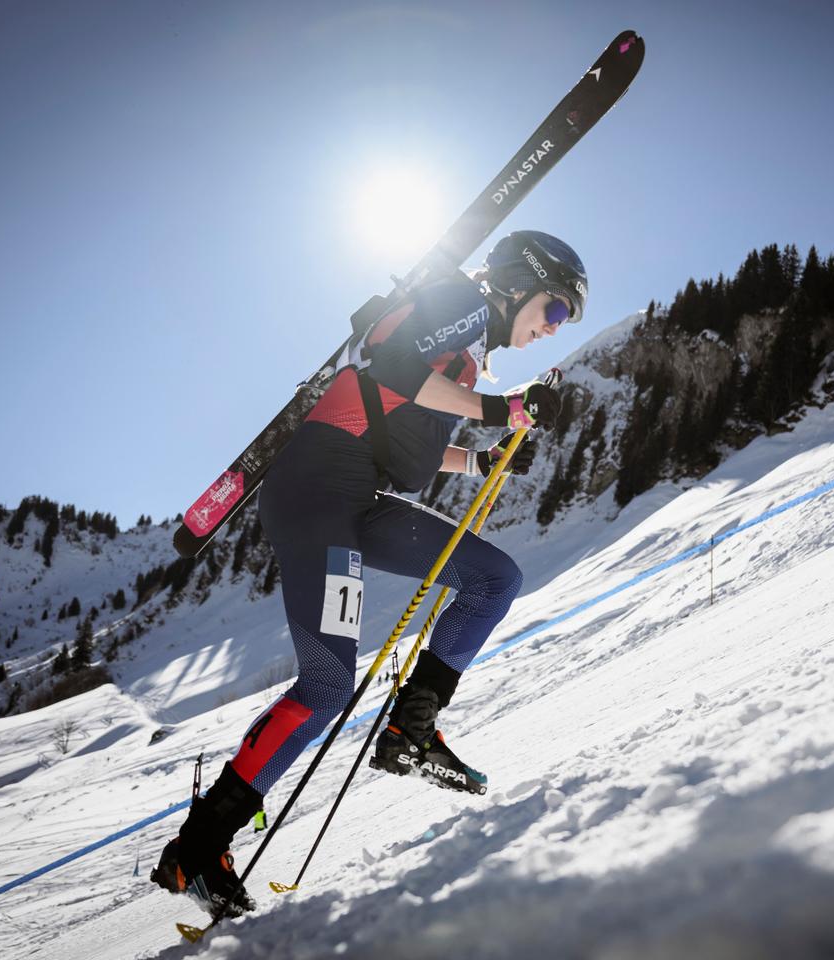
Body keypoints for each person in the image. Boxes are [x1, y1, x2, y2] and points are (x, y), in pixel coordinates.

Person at [151, 230, 587, 917]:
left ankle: (409, 727)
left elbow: (400, 426)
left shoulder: (466, 352)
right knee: (327, 686)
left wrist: (479, 455)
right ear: (517, 281)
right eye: (557, 311)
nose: (552, 330)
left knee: (492, 578)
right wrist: (502, 411)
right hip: (319, 488)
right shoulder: (462, 303)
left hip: (360, 496)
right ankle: (198, 849)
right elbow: (390, 368)